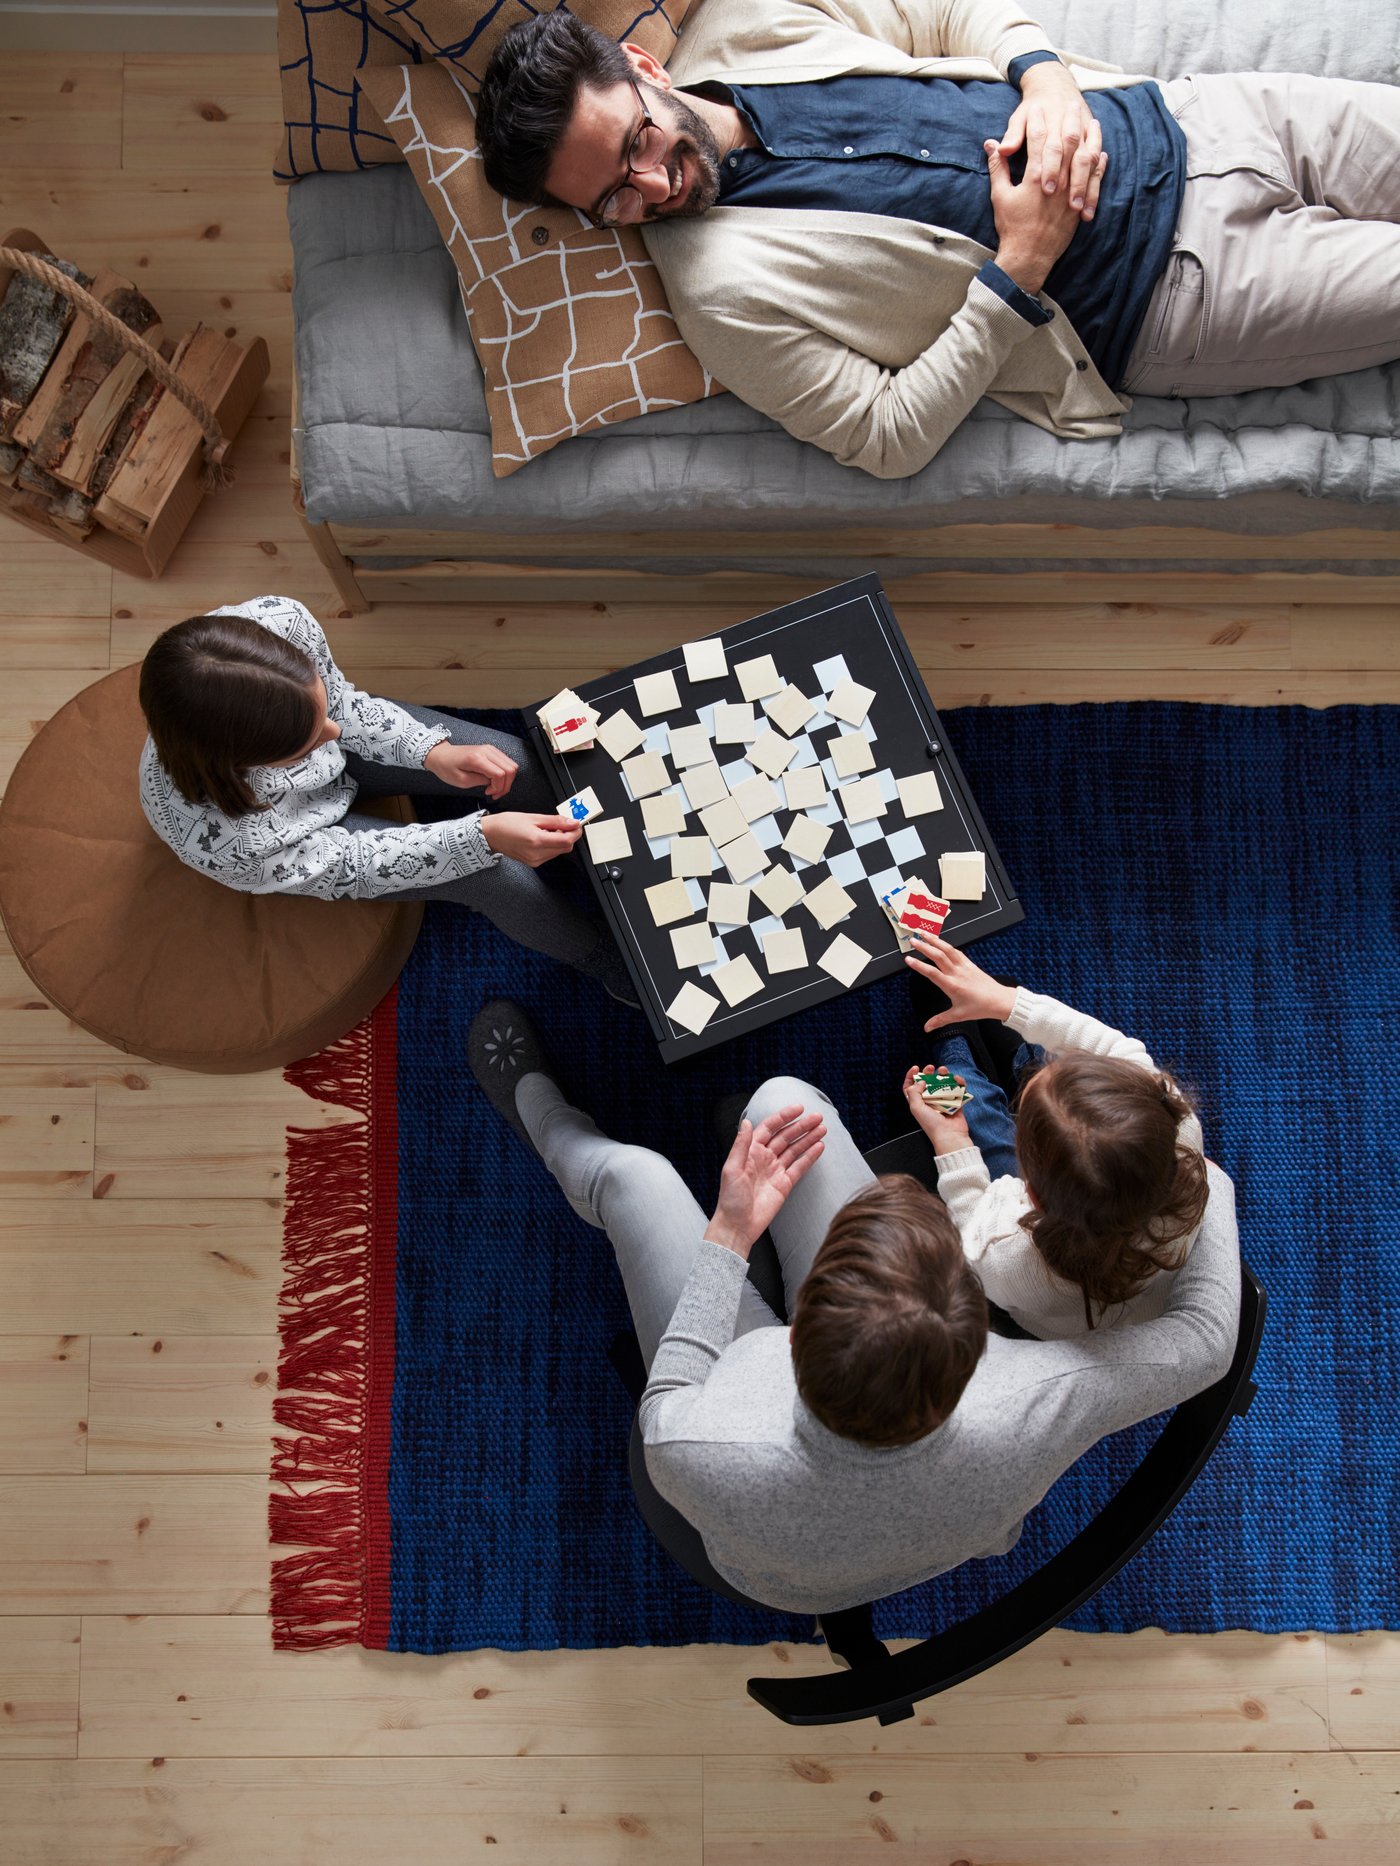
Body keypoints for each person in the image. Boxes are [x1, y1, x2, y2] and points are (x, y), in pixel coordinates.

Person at [466, 996, 1240, 1614]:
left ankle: (550, 1123)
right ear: (977, 1335)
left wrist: (732, 1234)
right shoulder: (1044, 1390)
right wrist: (1185, 1177)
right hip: (941, 1520)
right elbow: (1207, 1341)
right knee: (781, 1106)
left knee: (635, 1180)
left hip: (772, 1565)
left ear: (798, 1333)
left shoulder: (699, 1446)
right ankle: (744, 1142)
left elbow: (667, 1391)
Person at [473, 1, 1400, 478]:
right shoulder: (721, 297)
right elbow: (885, 436)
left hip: (1201, 115)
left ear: (643, 69)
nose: (653, 184)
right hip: (1182, 291)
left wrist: (1044, 78)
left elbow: (943, 13)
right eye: (611, 201)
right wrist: (1020, 269)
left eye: (637, 142)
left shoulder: (745, 23)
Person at [137, 593, 637, 1000]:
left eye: (319, 709)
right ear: (246, 764)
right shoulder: (230, 844)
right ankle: (603, 960)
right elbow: (354, 862)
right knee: (496, 875)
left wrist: (430, 751)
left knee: (514, 759)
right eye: (308, 744)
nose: (334, 731)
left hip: (293, 757)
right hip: (310, 840)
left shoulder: (279, 623)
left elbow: (343, 708)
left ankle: (614, 847)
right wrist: (481, 835)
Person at [903, 935, 1208, 1337]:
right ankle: (1004, 1050)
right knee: (1005, 1018)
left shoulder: (1007, 1253)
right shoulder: (1176, 1127)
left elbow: (974, 1214)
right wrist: (1008, 1003)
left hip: (1042, 1307)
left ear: (1028, 1191)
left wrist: (951, 1138)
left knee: (975, 1113)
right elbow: (1116, 1048)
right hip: (1087, 1221)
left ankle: (955, 1047)